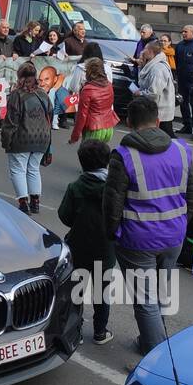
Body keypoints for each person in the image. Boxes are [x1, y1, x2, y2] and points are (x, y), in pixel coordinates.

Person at [102, 95, 193, 358]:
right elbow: (192, 196)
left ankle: (156, 359)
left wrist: (113, 233)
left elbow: (112, 203)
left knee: (145, 301)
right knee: (162, 292)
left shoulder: (123, 156)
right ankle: (153, 339)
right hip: (174, 236)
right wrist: (178, 223)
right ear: (157, 120)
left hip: (138, 240)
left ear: (129, 123)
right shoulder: (181, 149)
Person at [59, 139, 115, 344]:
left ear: (82, 163)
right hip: (105, 248)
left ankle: (76, 331)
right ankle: (100, 331)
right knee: (102, 293)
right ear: (108, 162)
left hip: (79, 246)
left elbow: (65, 216)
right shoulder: (113, 188)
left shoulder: (75, 187)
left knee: (76, 292)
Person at [3, 61, 53, 214]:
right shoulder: (43, 94)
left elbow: (11, 121)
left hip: (22, 137)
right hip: (42, 137)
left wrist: (6, 141)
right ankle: (35, 202)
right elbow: (50, 115)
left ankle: (23, 202)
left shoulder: (17, 95)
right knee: (33, 169)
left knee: (18, 169)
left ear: (20, 77)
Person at [71, 57, 118, 145]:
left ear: (89, 72)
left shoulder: (88, 90)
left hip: (94, 129)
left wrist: (75, 136)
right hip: (108, 128)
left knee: (87, 156)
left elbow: (82, 115)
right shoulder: (109, 85)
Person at [135, 43, 177, 136]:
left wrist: (140, 93)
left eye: (145, 49)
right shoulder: (152, 65)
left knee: (163, 139)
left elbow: (154, 93)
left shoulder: (157, 69)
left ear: (150, 52)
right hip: (157, 111)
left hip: (161, 113)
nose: (142, 51)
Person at [173, 25, 193, 134]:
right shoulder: (179, 46)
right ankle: (187, 126)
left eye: (185, 32)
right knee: (183, 103)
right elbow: (176, 62)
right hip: (182, 80)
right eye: (182, 31)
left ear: (192, 32)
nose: (183, 33)